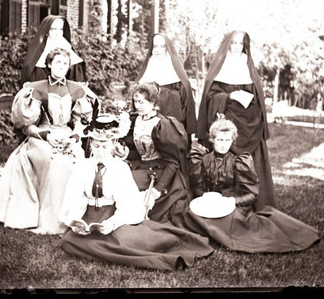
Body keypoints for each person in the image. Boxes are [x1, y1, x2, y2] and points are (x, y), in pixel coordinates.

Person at [59, 114, 214, 270]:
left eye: (105, 146)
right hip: (89, 218)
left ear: (113, 145)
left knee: (120, 241)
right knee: (69, 241)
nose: (100, 151)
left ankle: (165, 246)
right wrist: (75, 221)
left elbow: (129, 204)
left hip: (113, 216)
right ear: (90, 145)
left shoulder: (120, 168)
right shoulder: (82, 166)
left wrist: (113, 223)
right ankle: (101, 246)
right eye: (96, 146)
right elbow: (73, 198)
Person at [0, 48, 95, 235]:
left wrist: (74, 137)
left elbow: (80, 122)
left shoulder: (77, 89)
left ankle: (74, 216)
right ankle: (51, 220)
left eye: (65, 63)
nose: (61, 67)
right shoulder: (34, 89)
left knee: (76, 159)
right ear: (49, 64)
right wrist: (47, 136)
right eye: (57, 62)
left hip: (67, 135)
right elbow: (26, 126)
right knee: (53, 161)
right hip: (40, 136)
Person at [183, 117, 320, 253]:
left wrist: (232, 201)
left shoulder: (238, 162)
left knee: (229, 220)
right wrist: (205, 196)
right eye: (220, 140)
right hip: (210, 203)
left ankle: (218, 232)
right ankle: (213, 230)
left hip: (232, 206)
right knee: (190, 214)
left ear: (232, 141)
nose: (224, 144)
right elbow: (197, 187)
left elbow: (253, 195)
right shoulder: (203, 159)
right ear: (212, 140)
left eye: (227, 140)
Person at [196, 30, 276, 209]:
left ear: (245, 45)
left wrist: (250, 102)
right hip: (227, 118)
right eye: (233, 43)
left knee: (251, 161)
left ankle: (255, 201)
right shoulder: (220, 65)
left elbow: (257, 97)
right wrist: (229, 96)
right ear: (227, 44)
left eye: (240, 43)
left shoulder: (248, 65)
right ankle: (224, 199)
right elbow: (211, 96)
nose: (236, 47)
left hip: (249, 121)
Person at [123, 82, 192, 225]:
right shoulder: (136, 119)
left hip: (160, 172)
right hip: (142, 166)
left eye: (141, 102)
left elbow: (173, 162)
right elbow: (140, 152)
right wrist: (125, 153)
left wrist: (158, 189)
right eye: (135, 102)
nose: (137, 106)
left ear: (153, 102)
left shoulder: (162, 125)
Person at [135, 33, 197, 137]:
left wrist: (163, 94)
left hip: (172, 117)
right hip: (150, 118)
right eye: (155, 46)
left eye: (162, 46)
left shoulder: (175, 67)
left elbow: (184, 97)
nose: (158, 49)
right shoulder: (149, 65)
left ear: (167, 48)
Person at [21, 15, 86, 85]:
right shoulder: (38, 52)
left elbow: (77, 79)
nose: (57, 33)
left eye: (60, 29)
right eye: (53, 29)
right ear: (47, 31)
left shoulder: (67, 47)